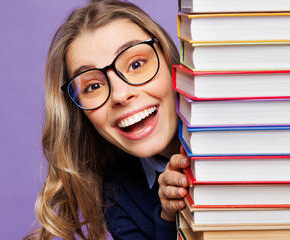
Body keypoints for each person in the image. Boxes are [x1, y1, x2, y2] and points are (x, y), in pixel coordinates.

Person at [25, 0, 190, 239]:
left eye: (136, 64)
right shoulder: (116, 199)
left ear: (168, 60)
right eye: (93, 86)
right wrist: (168, 216)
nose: (121, 95)